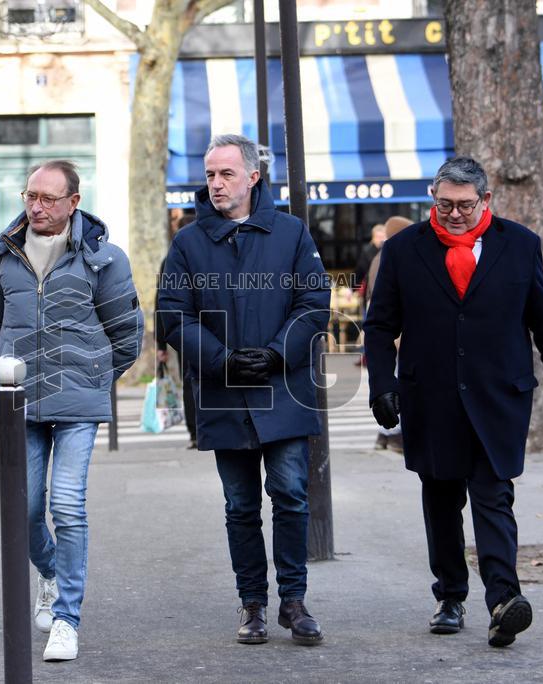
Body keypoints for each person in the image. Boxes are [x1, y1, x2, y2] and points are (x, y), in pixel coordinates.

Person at [363, 157, 543, 648]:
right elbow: (379, 327)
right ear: (432, 200)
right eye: (445, 205)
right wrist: (383, 386)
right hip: (431, 396)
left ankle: (504, 601)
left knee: (493, 496)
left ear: (485, 201)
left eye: (464, 205)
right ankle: (450, 596)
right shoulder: (403, 250)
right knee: (441, 500)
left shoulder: (520, 245)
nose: (455, 214)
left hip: (497, 396)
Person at [158, 134, 331, 646]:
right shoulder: (188, 242)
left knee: (293, 497)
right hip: (223, 392)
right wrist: (220, 360)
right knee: (240, 506)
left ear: (253, 176)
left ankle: (294, 601)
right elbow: (172, 313)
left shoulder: (292, 233)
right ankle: (252, 603)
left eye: (226, 174)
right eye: (210, 174)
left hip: (284, 387)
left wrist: (279, 353)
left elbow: (313, 302)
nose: (215, 183)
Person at [0, 160, 143, 662]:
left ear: (74, 202)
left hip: (78, 405)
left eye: (48, 198)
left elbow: (127, 335)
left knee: (67, 507)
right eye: (31, 196)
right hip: (19, 403)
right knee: (23, 512)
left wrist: (92, 380)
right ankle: (48, 572)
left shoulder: (104, 259)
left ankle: (67, 618)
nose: (36, 206)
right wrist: (11, 368)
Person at [363, 214, 413, 453]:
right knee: (395, 381)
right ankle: (392, 434)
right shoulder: (392, 257)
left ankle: (385, 434)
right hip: (394, 331)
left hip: (389, 329)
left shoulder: (380, 257)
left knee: (391, 380)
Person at [156, 213, 198, 448]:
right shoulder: (205, 256)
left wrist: (161, 345)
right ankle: (198, 430)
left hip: (185, 331)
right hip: (198, 330)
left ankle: (195, 433)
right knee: (195, 381)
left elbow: (160, 303)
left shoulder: (171, 259)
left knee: (190, 381)